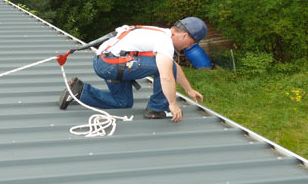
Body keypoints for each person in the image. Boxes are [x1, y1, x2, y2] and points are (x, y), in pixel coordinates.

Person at [57, 17, 207, 122]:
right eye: (191, 43)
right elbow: (167, 76)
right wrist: (173, 104)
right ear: (185, 35)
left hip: (105, 62)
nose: (188, 47)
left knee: (123, 102)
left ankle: (79, 90)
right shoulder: (165, 41)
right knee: (164, 68)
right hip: (109, 65)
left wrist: (188, 89)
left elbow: (174, 67)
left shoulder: (159, 32)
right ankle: (156, 109)